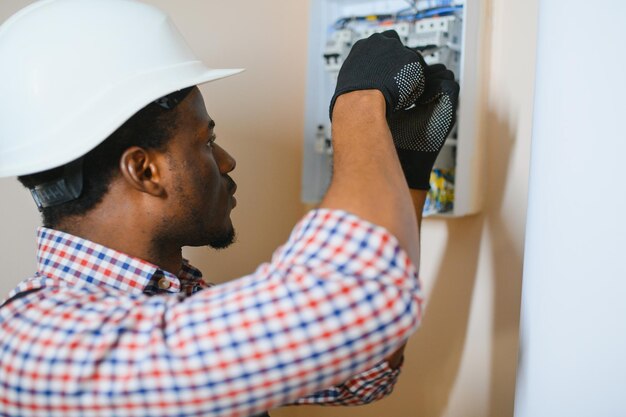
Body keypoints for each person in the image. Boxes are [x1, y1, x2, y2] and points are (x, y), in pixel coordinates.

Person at [0, 1, 458, 416]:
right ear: (144, 170)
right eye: (207, 141)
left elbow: (365, 366)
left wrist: (404, 171)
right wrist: (358, 107)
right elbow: (355, 298)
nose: (226, 161)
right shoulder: (35, 344)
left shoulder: (179, 302)